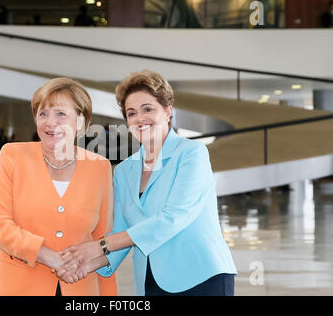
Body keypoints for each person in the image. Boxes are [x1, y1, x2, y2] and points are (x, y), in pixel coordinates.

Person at [59, 70, 237, 296]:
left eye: (148, 109)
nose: (140, 118)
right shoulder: (124, 171)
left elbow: (173, 217)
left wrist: (100, 245)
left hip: (201, 277)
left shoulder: (192, 154)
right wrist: (85, 265)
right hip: (150, 282)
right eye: (131, 113)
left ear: (168, 111)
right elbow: (122, 230)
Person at [0, 77, 117, 296]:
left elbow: (102, 242)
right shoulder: (13, 156)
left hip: (79, 290)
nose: (49, 122)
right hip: (15, 287)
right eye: (42, 113)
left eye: (60, 114)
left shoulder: (99, 167)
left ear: (80, 122)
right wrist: (50, 257)